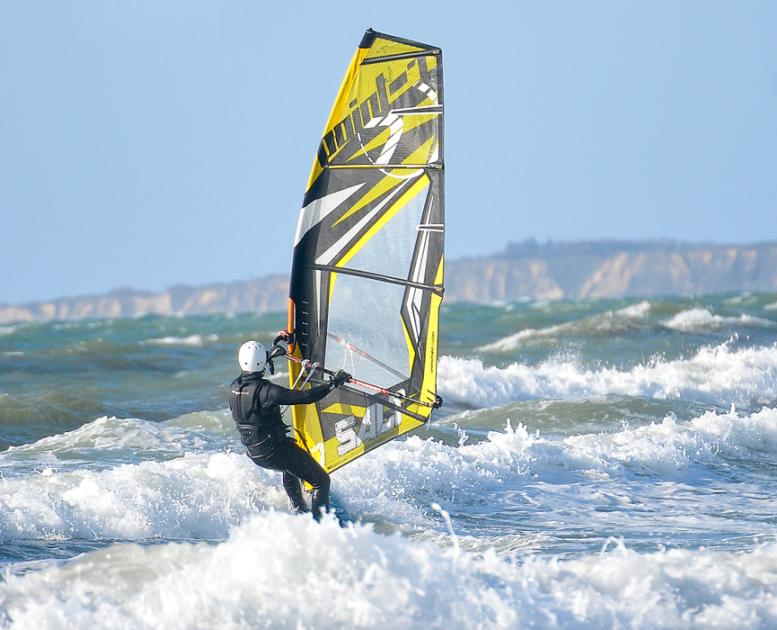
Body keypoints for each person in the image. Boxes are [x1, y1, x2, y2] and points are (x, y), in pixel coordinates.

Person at [229, 339, 350, 520]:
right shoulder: (268, 391)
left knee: (290, 466)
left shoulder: (234, 387)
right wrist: (334, 383)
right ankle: (322, 527)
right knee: (321, 482)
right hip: (274, 452)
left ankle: (300, 509)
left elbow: (255, 368)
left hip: (255, 452)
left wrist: (269, 355)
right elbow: (307, 396)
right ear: (261, 362)